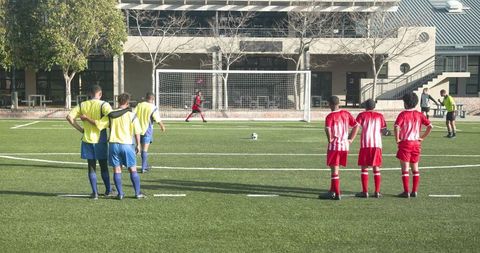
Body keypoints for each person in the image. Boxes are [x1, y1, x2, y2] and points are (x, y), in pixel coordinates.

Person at [81, 93, 145, 200]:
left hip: (113, 144)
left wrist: (87, 118)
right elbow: (137, 131)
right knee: (132, 169)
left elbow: (99, 124)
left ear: (118, 102)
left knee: (117, 170)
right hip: (127, 144)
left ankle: (120, 194)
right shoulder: (132, 114)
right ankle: (137, 193)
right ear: (127, 102)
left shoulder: (111, 115)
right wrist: (138, 145)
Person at [66, 85, 113, 200]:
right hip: (100, 140)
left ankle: (95, 193)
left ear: (89, 94)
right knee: (103, 167)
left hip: (87, 139)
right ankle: (108, 190)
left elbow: (69, 117)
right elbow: (112, 118)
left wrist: (81, 129)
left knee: (91, 167)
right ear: (100, 94)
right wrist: (111, 134)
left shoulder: (83, 105)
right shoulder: (104, 105)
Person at [394, 92, 433, 198]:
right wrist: (422, 137)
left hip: (405, 143)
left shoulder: (403, 114)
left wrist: (397, 139)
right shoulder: (419, 114)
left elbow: (397, 126)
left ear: (405, 103)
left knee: (405, 169)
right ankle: (414, 191)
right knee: (415, 168)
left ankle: (406, 191)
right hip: (416, 144)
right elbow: (430, 126)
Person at [322, 95, 359, 200]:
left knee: (334, 170)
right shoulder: (346, 114)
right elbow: (356, 125)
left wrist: (330, 139)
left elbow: (327, 129)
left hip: (335, 146)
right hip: (344, 146)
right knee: (335, 169)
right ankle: (332, 189)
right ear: (339, 103)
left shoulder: (330, 116)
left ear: (330, 104)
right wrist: (351, 139)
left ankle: (337, 193)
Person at [355, 99, 387, 198]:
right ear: (374, 107)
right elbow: (384, 130)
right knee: (376, 167)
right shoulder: (380, 116)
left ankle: (365, 192)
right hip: (377, 145)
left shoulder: (362, 115)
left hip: (365, 144)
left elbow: (356, 127)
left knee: (364, 167)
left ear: (365, 107)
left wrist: (350, 137)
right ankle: (377, 192)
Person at [134, 92, 166, 173]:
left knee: (139, 148)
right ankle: (144, 167)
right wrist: (162, 125)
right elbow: (157, 118)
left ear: (146, 97)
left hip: (137, 130)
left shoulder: (139, 105)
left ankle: (143, 165)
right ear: (153, 99)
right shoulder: (152, 107)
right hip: (146, 130)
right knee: (144, 150)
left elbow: (133, 114)